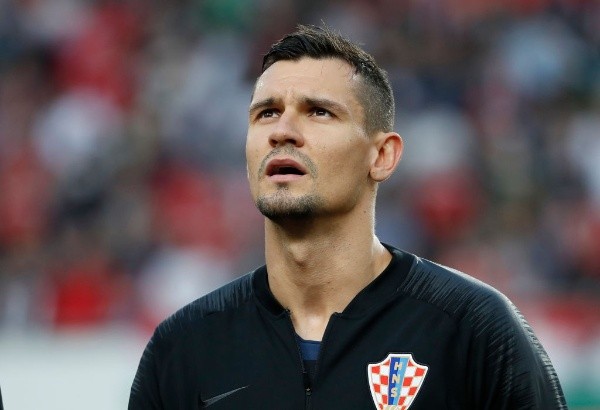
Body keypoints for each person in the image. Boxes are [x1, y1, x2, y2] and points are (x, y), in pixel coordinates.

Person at [129, 25, 567, 409]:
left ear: (382, 155)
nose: (282, 131)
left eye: (319, 112)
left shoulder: (474, 331)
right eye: (267, 113)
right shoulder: (183, 350)